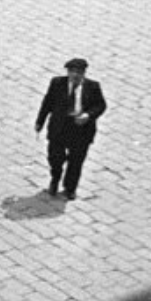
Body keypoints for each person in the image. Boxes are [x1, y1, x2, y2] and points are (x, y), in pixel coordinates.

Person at [35, 58, 107, 200]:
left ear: (84, 74)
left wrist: (88, 115)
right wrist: (40, 122)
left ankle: (70, 188)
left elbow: (101, 105)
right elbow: (47, 103)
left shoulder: (93, 87)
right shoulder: (57, 83)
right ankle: (55, 179)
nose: (74, 76)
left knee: (76, 162)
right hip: (60, 127)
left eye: (78, 73)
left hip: (81, 130)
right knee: (55, 157)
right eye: (71, 72)